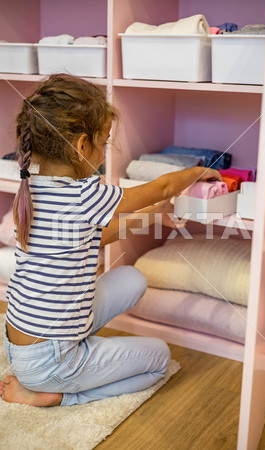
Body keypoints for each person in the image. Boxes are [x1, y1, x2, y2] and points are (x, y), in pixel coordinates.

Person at [0, 74, 222, 407]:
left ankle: (57, 365)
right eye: (103, 143)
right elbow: (161, 187)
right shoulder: (84, 193)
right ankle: (54, 395)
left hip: (20, 345)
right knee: (159, 359)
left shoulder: (30, 188)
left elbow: (94, 236)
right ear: (81, 146)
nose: (104, 154)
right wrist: (198, 171)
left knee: (132, 278)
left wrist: (151, 216)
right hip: (50, 358)